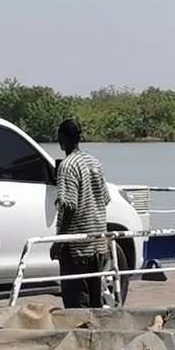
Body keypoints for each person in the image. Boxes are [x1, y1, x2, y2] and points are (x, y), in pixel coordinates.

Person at [52, 118, 111, 309]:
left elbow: (69, 206)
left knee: (77, 303)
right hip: (97, 242)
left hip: (77, 247)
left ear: (62, 139)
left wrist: (60, 242)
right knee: (95, 301)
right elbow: (104, 199)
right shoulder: (94, 162)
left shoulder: (67, 166)